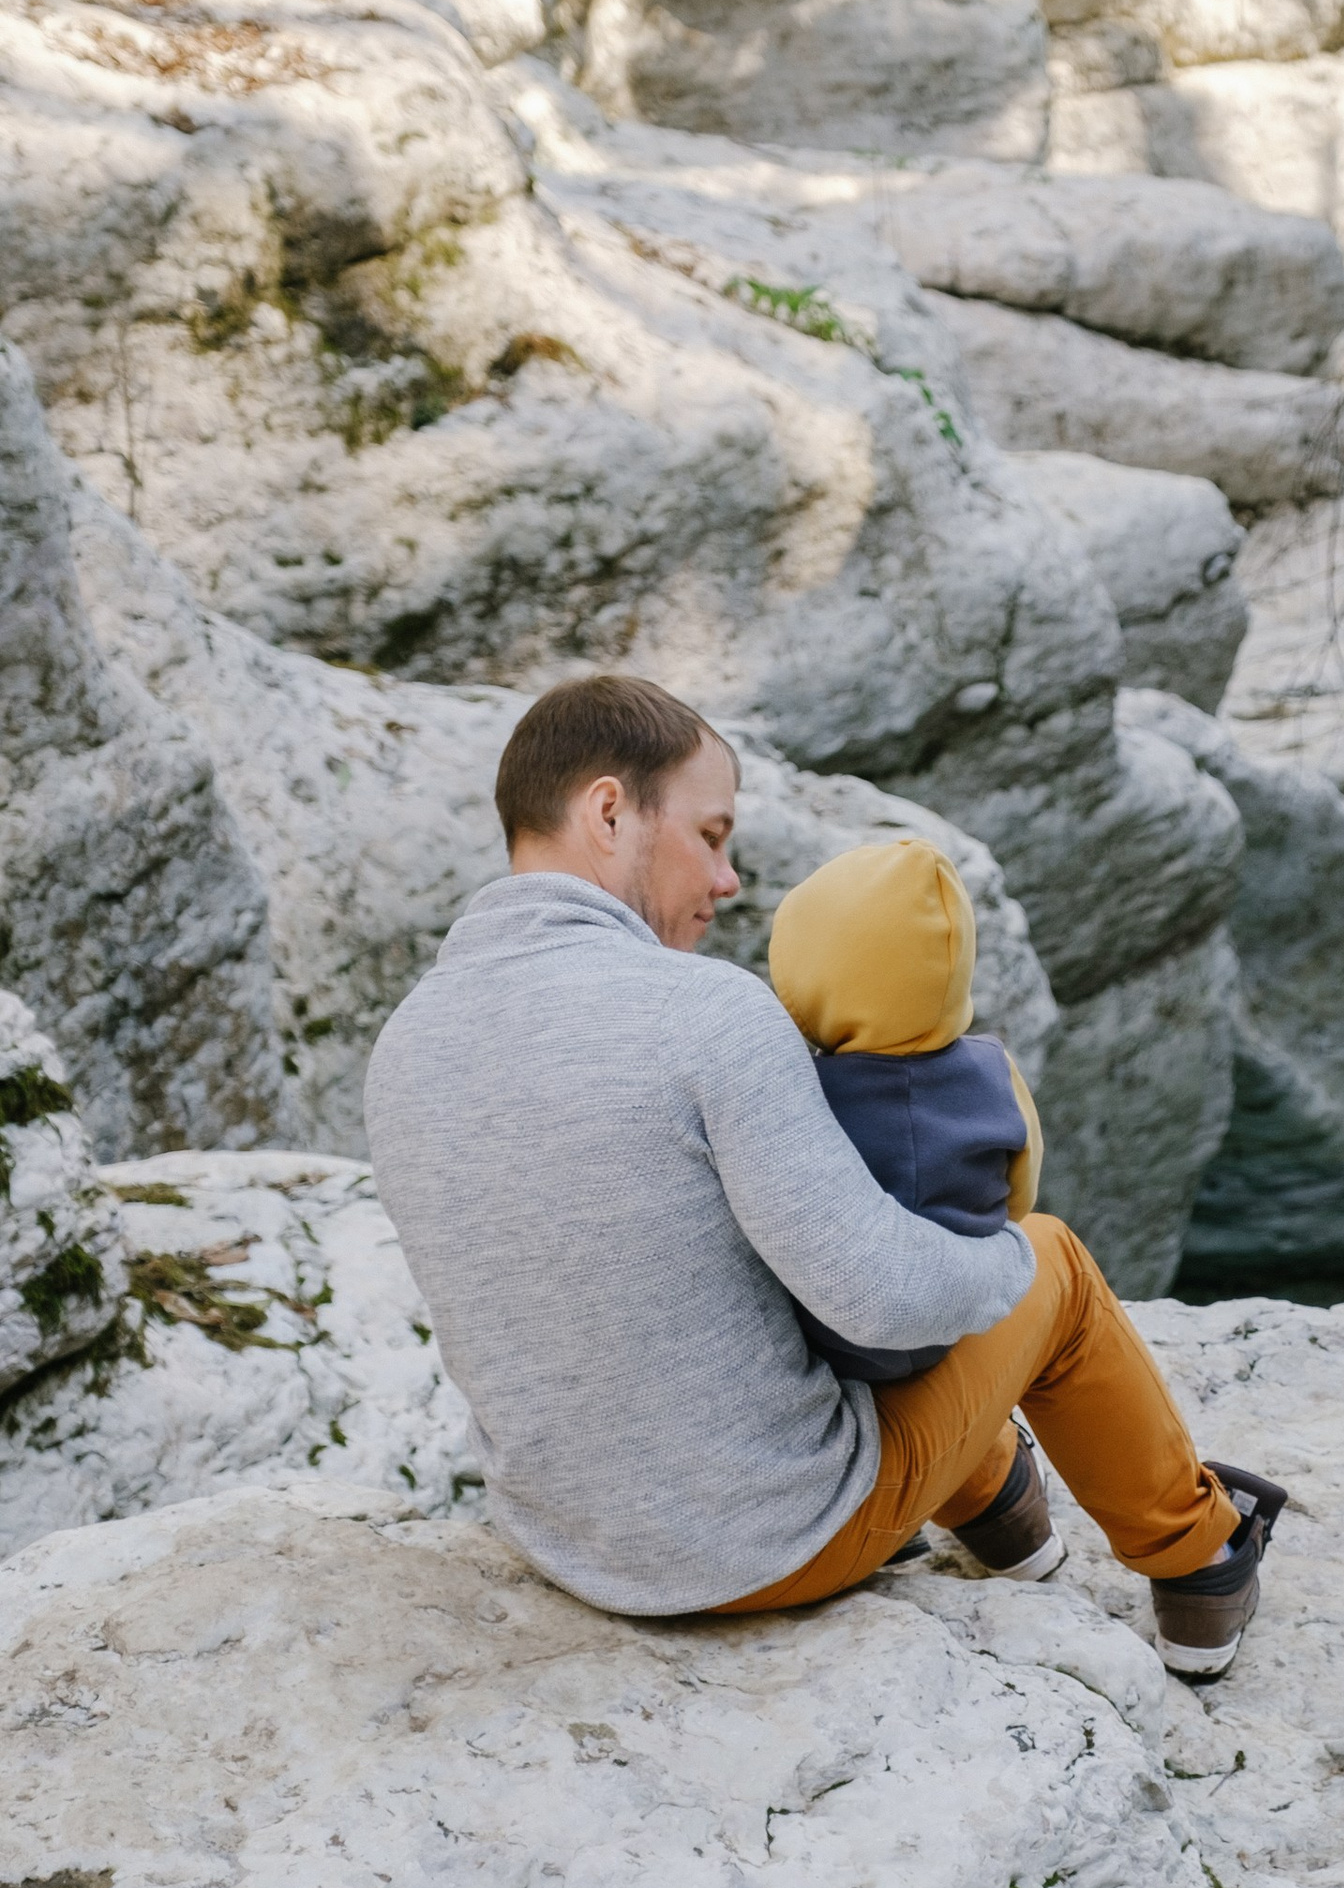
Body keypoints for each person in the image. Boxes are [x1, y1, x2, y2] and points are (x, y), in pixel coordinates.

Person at [364, 672, 1286, 1680]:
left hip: (571, 1547)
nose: (727, 881)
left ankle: (1002, 1512)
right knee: (1043, 1262)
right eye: (711, 836)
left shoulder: (404, 1044)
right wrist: (1004, 1266)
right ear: (609, 811)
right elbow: (883, 1299)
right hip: (770, 1546)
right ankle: (1201, 1558)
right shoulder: (704, 1012)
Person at [762, 834, 1044, 1388]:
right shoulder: (995, 1068)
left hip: (840, 1347)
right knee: (1060, 1252)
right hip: (956, 1326)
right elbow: (1022, 1195)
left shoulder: (801, 1089)